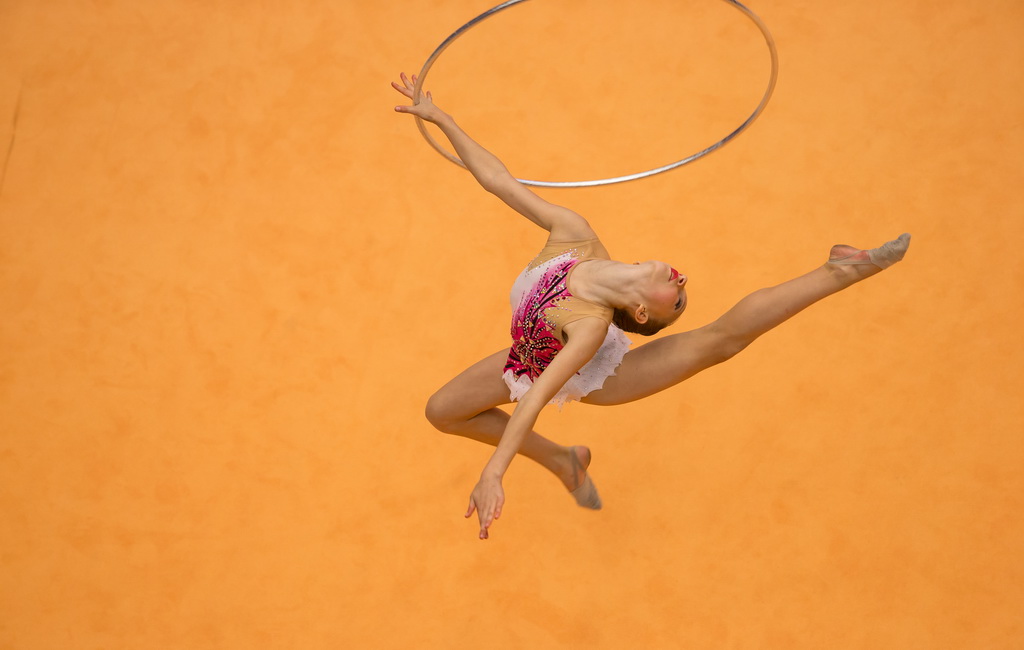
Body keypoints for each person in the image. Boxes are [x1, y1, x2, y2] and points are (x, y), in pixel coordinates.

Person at [392, 72, 910, 540]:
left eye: (677, 300)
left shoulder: (589, 329)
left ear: (641, 314)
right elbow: (498, 180)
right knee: (442, 411)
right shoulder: (574, 235)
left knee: (719, 342)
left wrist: (494, 472)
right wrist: (442, 118)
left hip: (592, 377)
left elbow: (534, 401)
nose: (682, 279)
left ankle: (839, 271)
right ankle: (563, 460)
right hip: (530, 351)